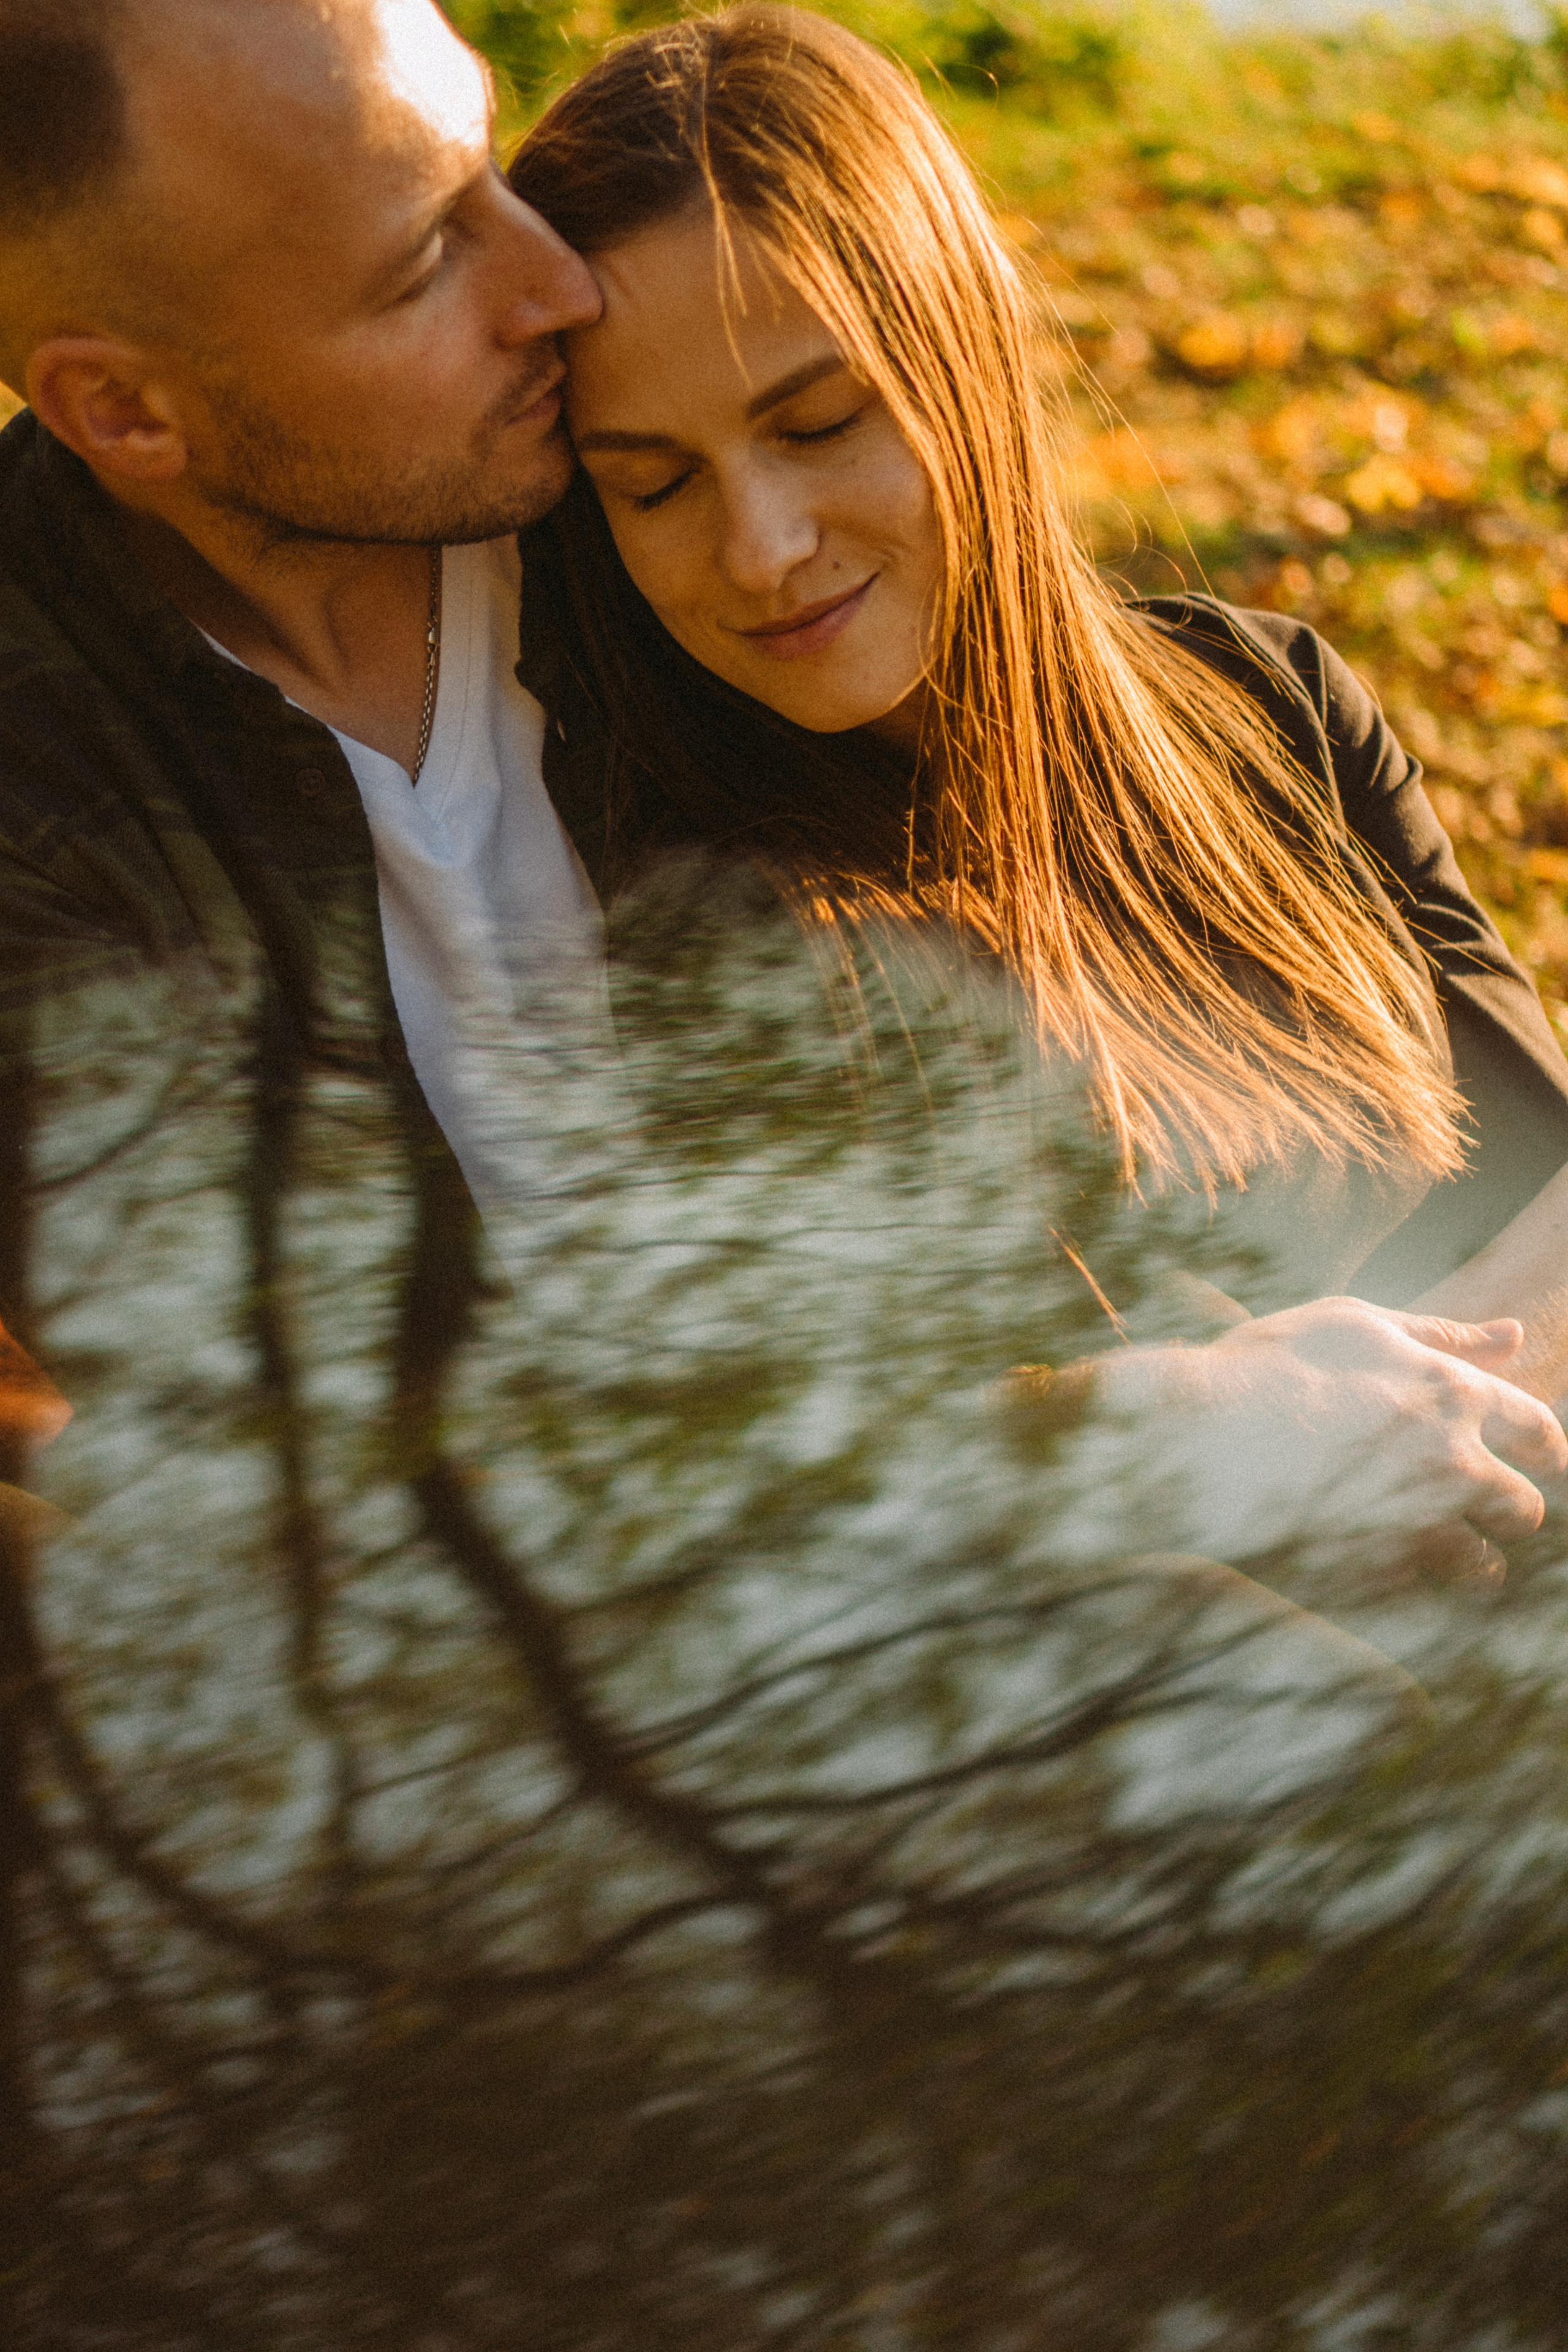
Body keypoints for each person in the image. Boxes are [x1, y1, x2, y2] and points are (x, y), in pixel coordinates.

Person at [0, 0, 1559, 1585]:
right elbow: (317, 1499)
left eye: (487, 168)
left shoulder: (1245, 706)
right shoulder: (77, 813)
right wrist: (1127, 1443)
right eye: (422, 261)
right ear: (126, 410)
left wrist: (1424, 1417)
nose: (551, 288)